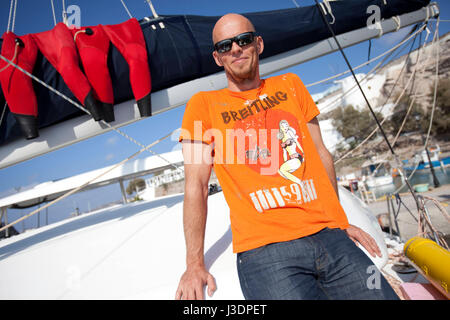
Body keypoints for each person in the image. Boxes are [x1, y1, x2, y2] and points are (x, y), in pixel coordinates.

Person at [175, 13, 398, 300]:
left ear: (258, 44)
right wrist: (194, 264)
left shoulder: (291, 84)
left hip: (329, 235)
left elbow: (321, 154)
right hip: (265, 251)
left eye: (243, 40)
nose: (235, 49)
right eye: (224, 46)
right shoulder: (201, 106)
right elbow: (196, 186)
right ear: (218, 58)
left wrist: (341, 221)